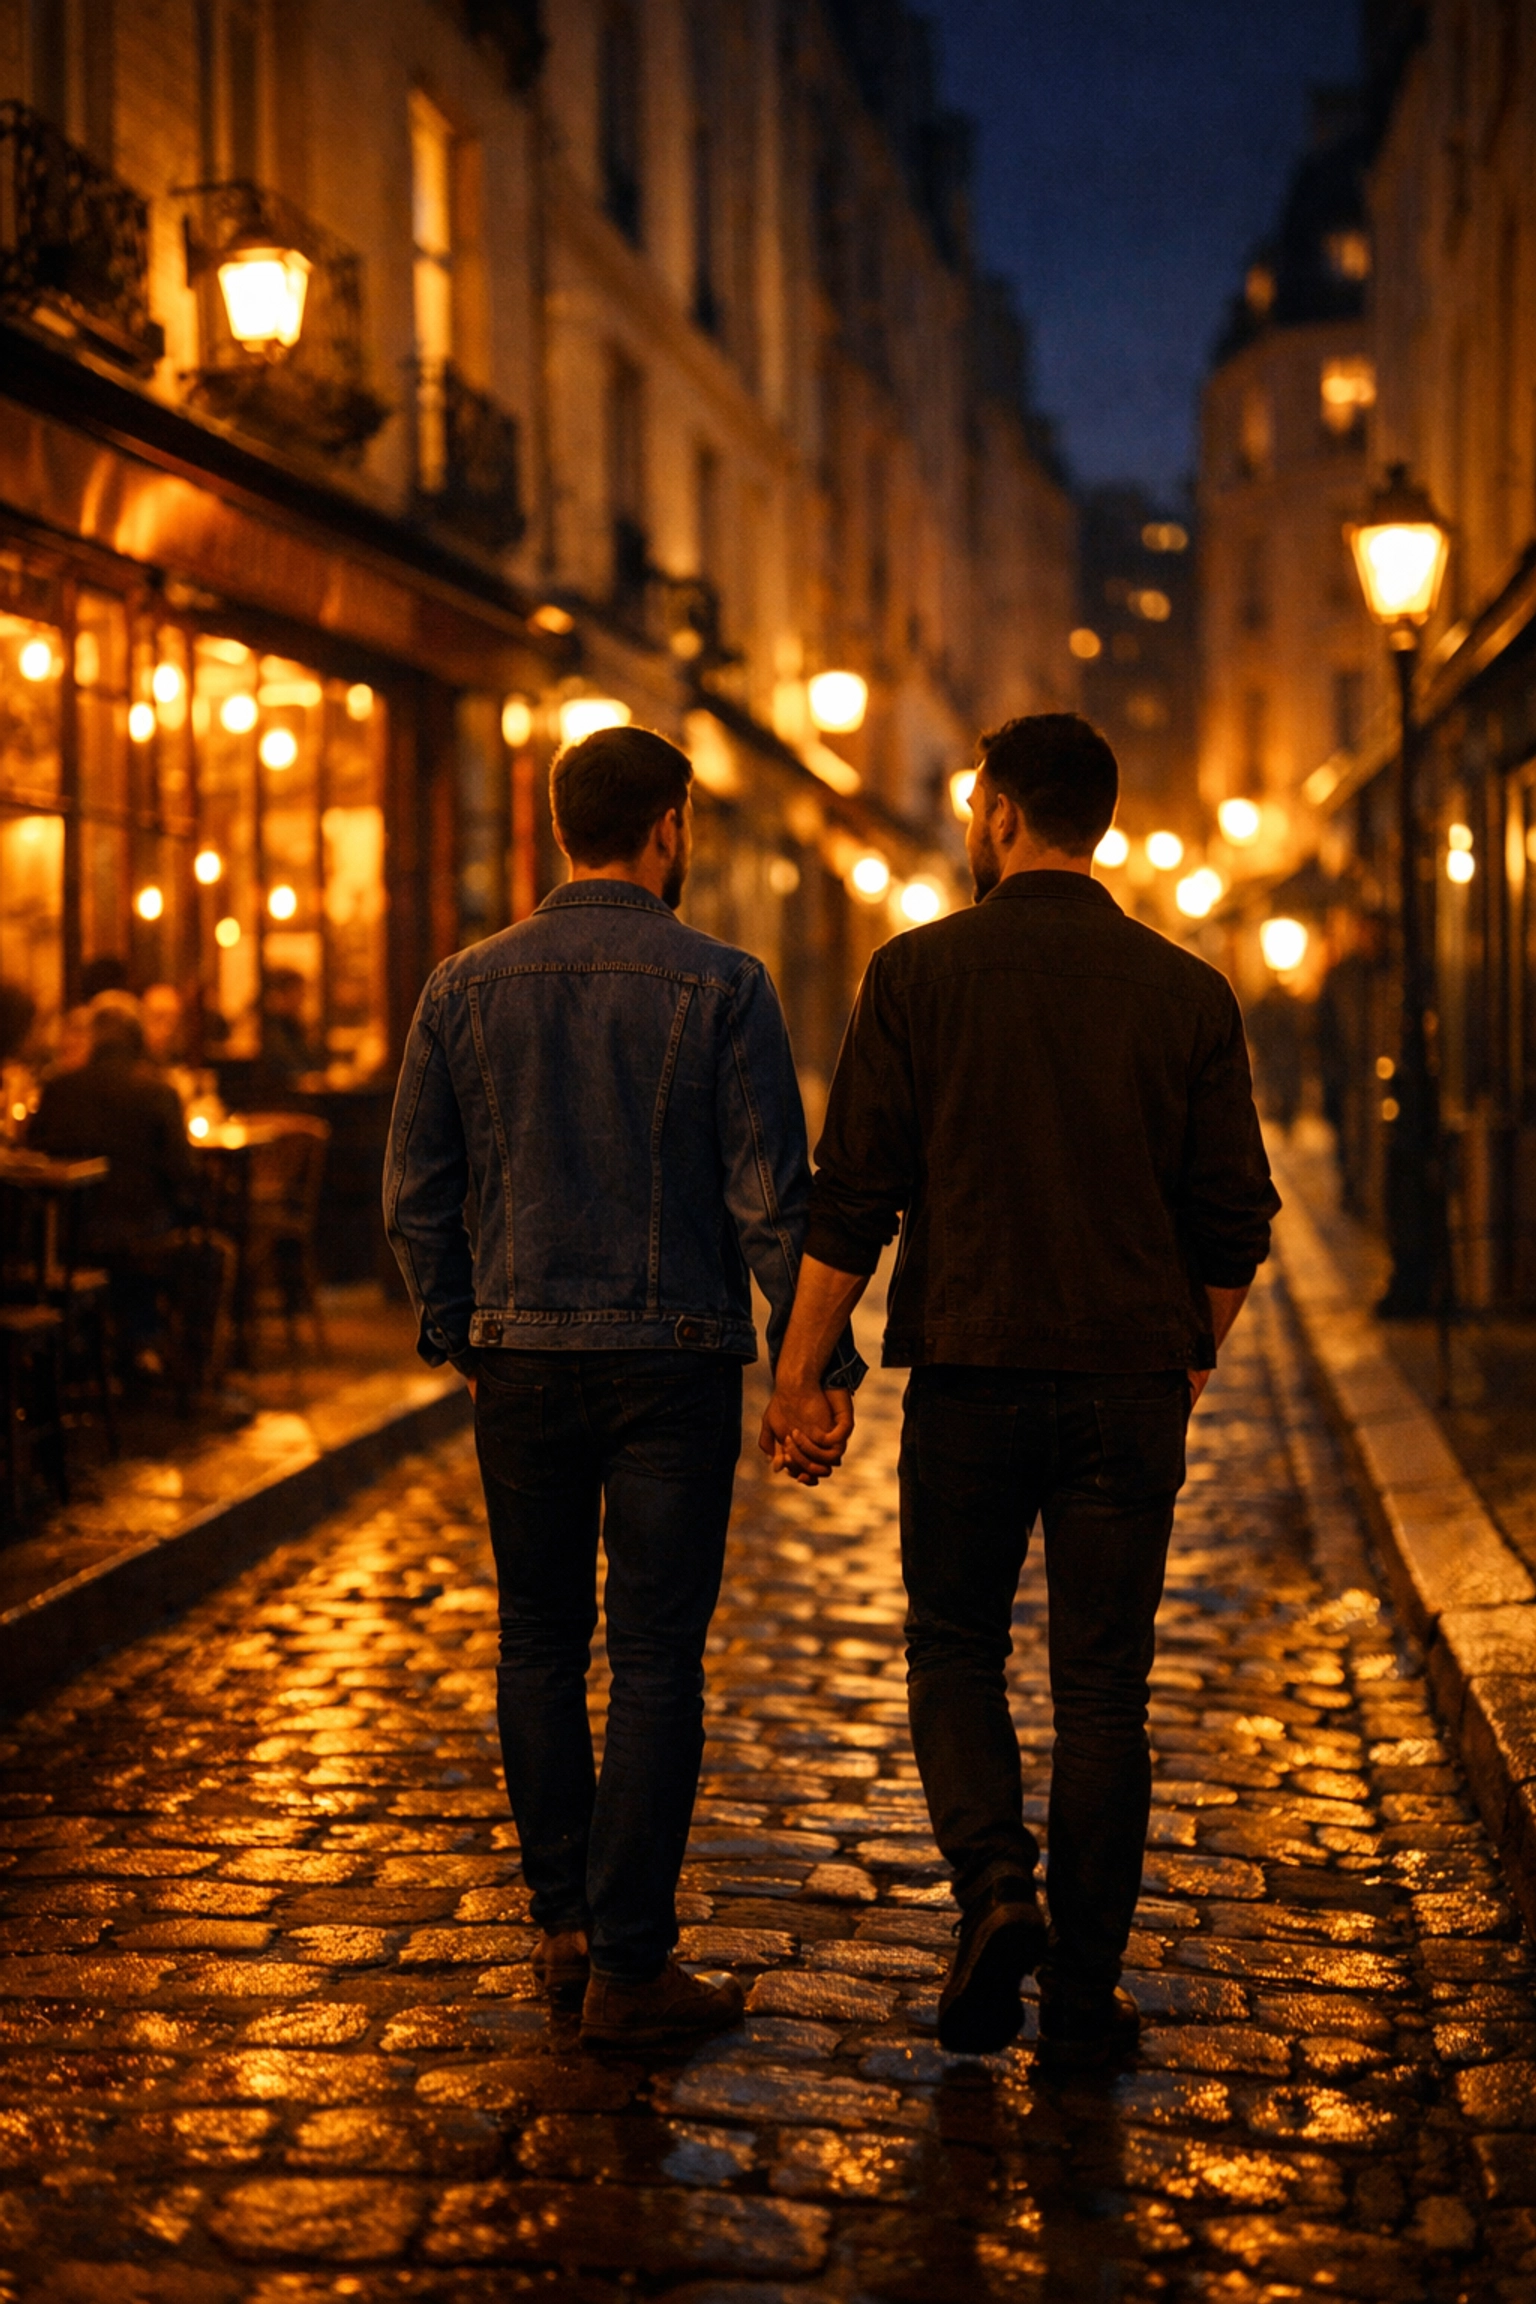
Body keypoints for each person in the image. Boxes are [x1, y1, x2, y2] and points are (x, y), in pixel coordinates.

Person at [762, 713, 1278, 2065]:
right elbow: (1237, 1218)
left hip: (976, 1376)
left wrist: (801, 1373)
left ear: (995, 814)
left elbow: (853, 1195)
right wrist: (1190, 1350)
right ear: (1098, 823)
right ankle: (1088, 1993)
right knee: (1105, 1688)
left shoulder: (919, 973)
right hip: (1126, 1382)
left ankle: (996, 1887)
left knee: (952, 1645)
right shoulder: (1184, 992)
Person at [384, 723, 862, 2049]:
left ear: (558, 832)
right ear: (669, 829)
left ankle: (562, 1928)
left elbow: (415, 1193)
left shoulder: (459, 987)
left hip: (525, 1360)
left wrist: (463, 1333)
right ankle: (633, 1960)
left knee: (536, 1635)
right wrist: (812, 1368)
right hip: (674, 1365)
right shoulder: (725, 984)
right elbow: (772, 1196)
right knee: (654, 1651)